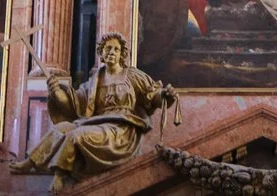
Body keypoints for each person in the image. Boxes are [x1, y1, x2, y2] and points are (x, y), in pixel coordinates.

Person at [24, 34, 175, 183]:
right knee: (61, 128)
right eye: (108, 48)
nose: (111, 52)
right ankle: (31, 162)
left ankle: (60, 176)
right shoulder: (95, 80)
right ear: (101, 53)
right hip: (97, 123)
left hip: (121, 129)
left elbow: (153, 95)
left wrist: (165, 95)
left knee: (76, 135)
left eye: (116, 49)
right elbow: (74, 103)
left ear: (122, 54)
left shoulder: (133, 76)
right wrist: (56, 92)